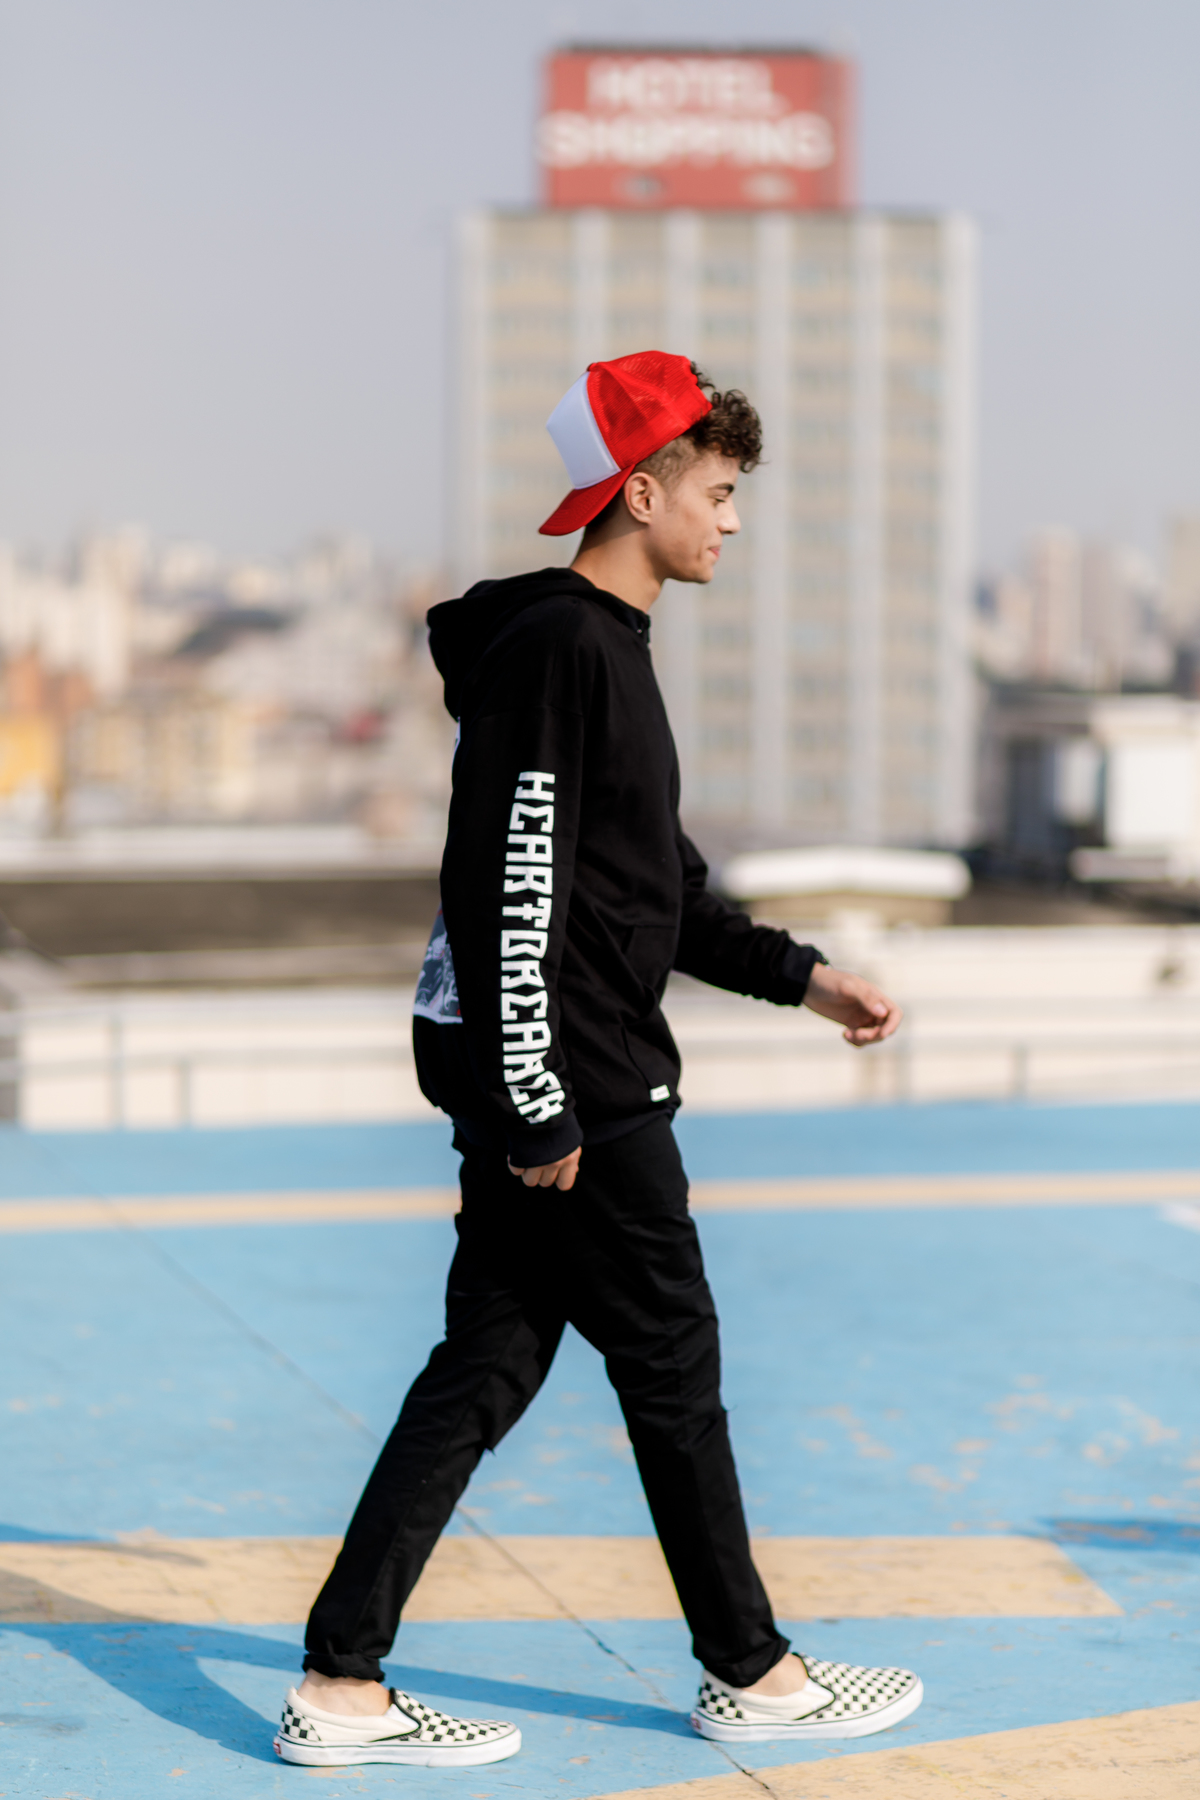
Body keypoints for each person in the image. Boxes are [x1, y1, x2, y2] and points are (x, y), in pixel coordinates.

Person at [274, 352, 923, 1769]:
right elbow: (507, 887)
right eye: (718, 491)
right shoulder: (567, 651)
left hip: (560, 1078)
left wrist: (808, 980)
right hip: (579, 1089)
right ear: (641, 491)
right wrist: (537, 1101)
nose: (732, 521)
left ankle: (340, 1683)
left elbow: (653, 890)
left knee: (486, 1366)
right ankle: (751, 1670)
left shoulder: (601, 650)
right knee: (671, 1369)